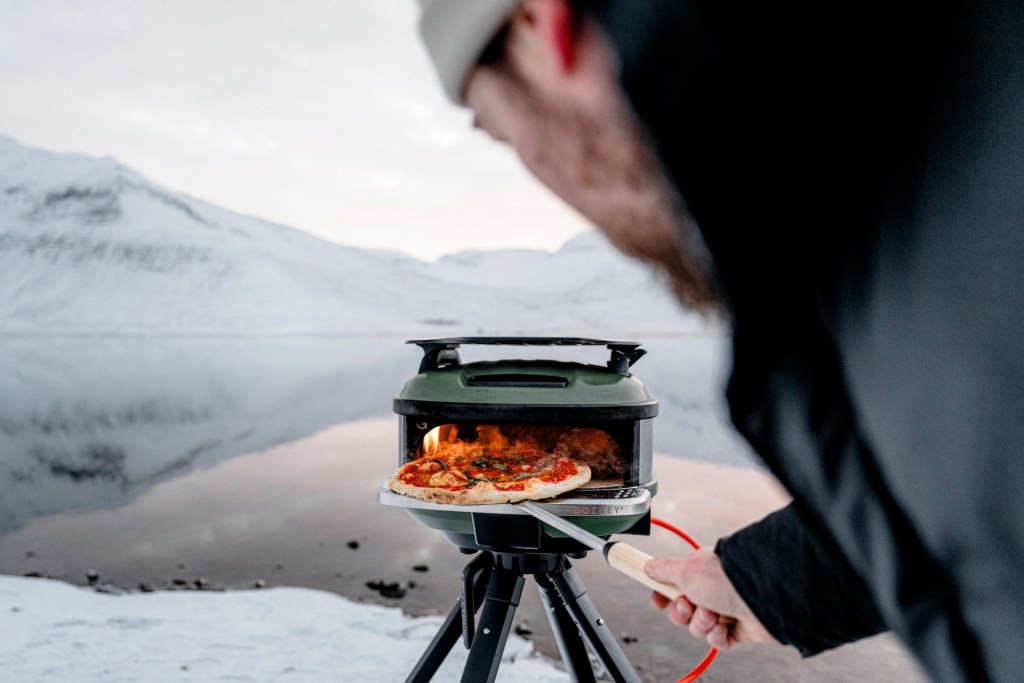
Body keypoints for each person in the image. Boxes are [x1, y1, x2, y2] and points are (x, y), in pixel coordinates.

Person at [414, 1, 1024, 681]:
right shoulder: (907, 188)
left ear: (542, 24)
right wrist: (768, 579)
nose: (537, 170)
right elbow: (980, 493)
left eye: (505, 130)